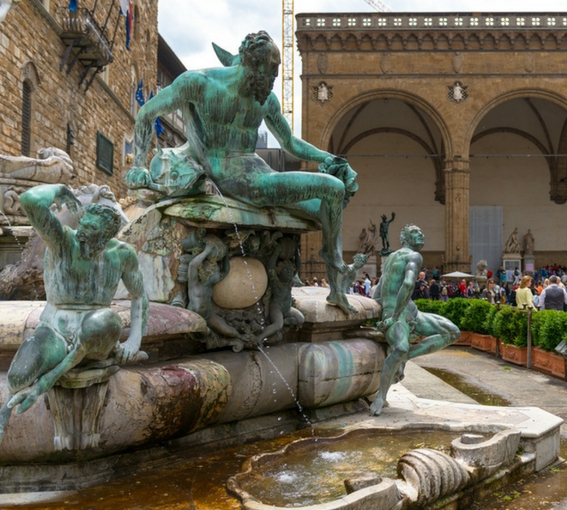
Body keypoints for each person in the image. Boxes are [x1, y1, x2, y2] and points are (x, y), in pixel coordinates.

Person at [125, 31, 358, 314]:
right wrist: (137, 165)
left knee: (328, 207)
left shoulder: (265, 99)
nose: (274, 78)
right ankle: (337, 275)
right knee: (332, 189)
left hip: (260, 175)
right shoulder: (199, 83)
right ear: (253, 64)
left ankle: (334, 289)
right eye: (272, 71)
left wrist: (331, 158)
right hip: (232, 176)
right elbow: (146, 113)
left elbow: (290, 143)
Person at [0, 184, 148, 443]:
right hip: (55, 330)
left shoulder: (122, 254)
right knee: (17, 377)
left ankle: (58, 372)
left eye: (90, 233)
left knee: (103, 320)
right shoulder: (62, 240)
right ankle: (55, 371)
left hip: (97, 330)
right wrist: (58, 189)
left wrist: (134, 339)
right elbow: (29, 201)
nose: (82, 236)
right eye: (83, 228)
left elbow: (139, 296)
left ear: (106, 238)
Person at [370, 225, 460, 416]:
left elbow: (379, 290)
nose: (421, 234)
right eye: (415, 232)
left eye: (422, 231)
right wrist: (392, 316)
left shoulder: (391, 258)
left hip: (409, 311)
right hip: (396, 313)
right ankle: (381, 396)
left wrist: (377, 311)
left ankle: (407, 357)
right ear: (404, 238)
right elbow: (409, 283)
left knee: (453, 332)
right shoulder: (414, 256)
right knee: (400, 348)